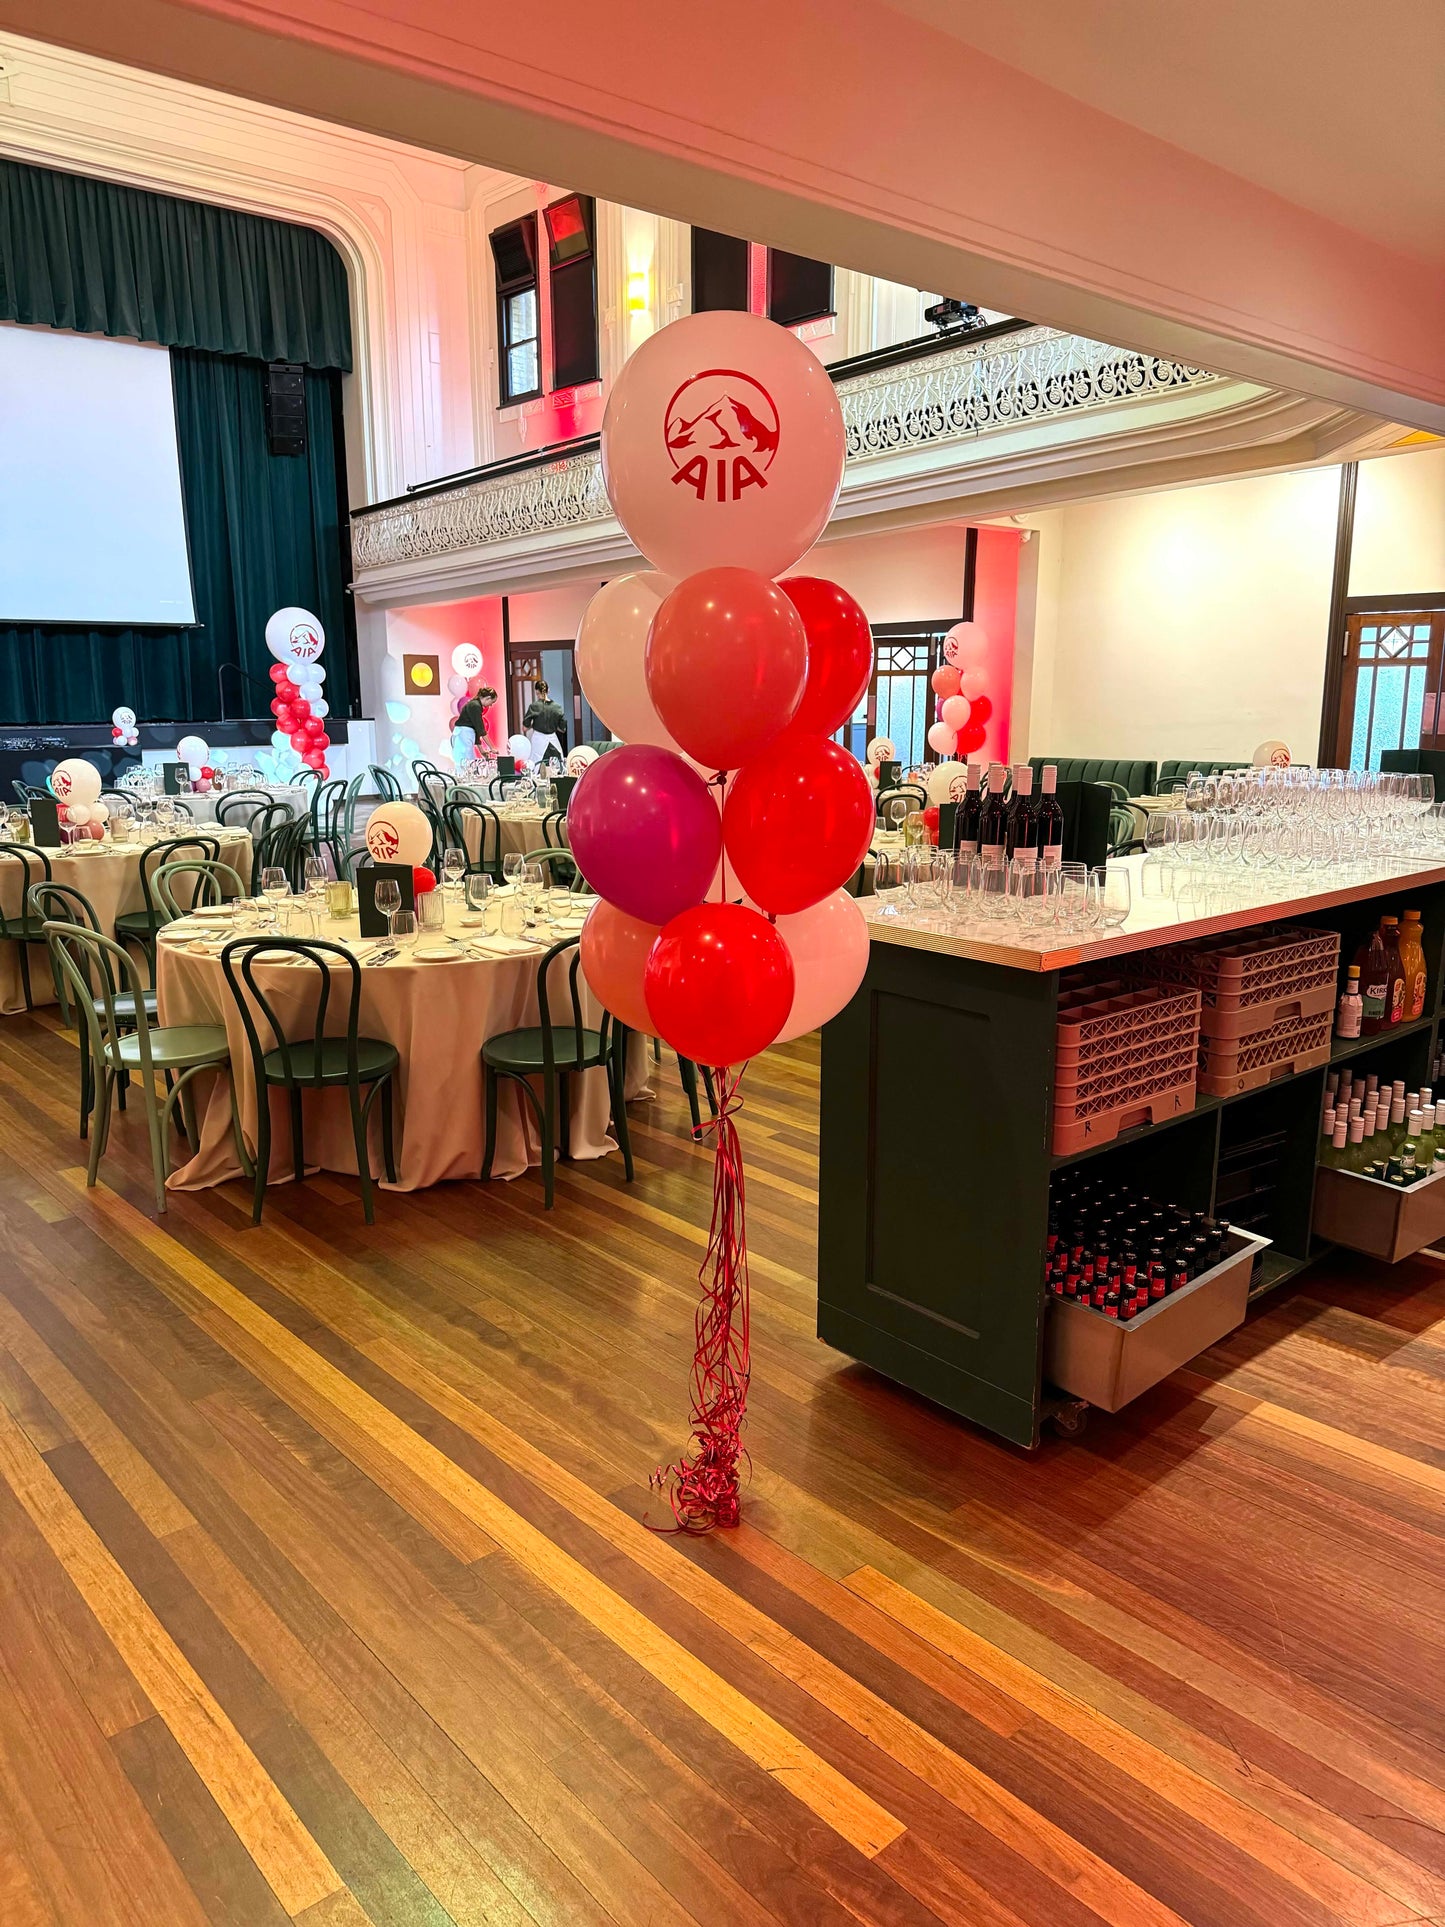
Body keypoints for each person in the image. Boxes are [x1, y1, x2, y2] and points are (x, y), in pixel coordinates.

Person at [522, 678, 568, 763]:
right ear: (548, 690)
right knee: (557, 764)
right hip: (553, 741)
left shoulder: (534, 706)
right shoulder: (557, 707)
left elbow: (525, 728)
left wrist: (535, 724)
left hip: (538, 740)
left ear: (537, 692)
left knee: (536, 765)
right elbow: (562, 729)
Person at [456, 682, 497, 747]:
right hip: (464, 737)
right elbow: (481, 729)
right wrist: (492, 747)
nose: (491, 705)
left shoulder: (475, 704)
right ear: (488, 698)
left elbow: (476, 730)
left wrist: (482, 750)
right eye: (492, 702)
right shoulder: (475, 706)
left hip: (463, 736)